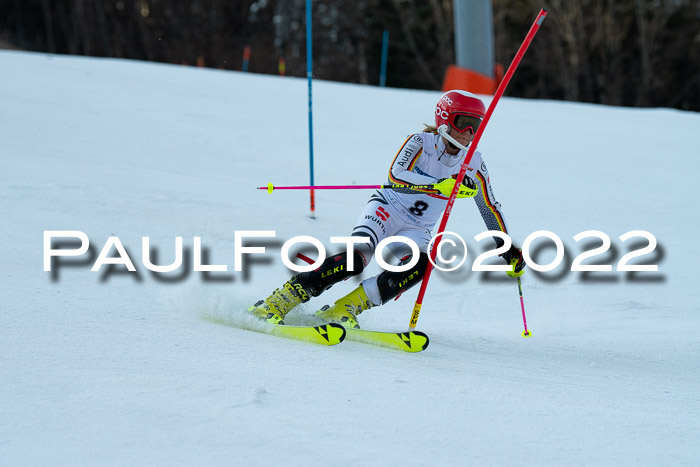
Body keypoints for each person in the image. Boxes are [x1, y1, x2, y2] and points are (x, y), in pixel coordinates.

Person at [249, 90, 525, 328]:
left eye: (476, 126)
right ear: (444, 120)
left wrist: (506, 246)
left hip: (418, 227)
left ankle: (345, 308)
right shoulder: (420, 142)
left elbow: (489, 207)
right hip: (386, 209)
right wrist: (440, 184)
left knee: (421, 265)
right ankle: (282, 300)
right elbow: (396, 174)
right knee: (356, 259)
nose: (469, 133)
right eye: (463, 123)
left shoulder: (474, 163)